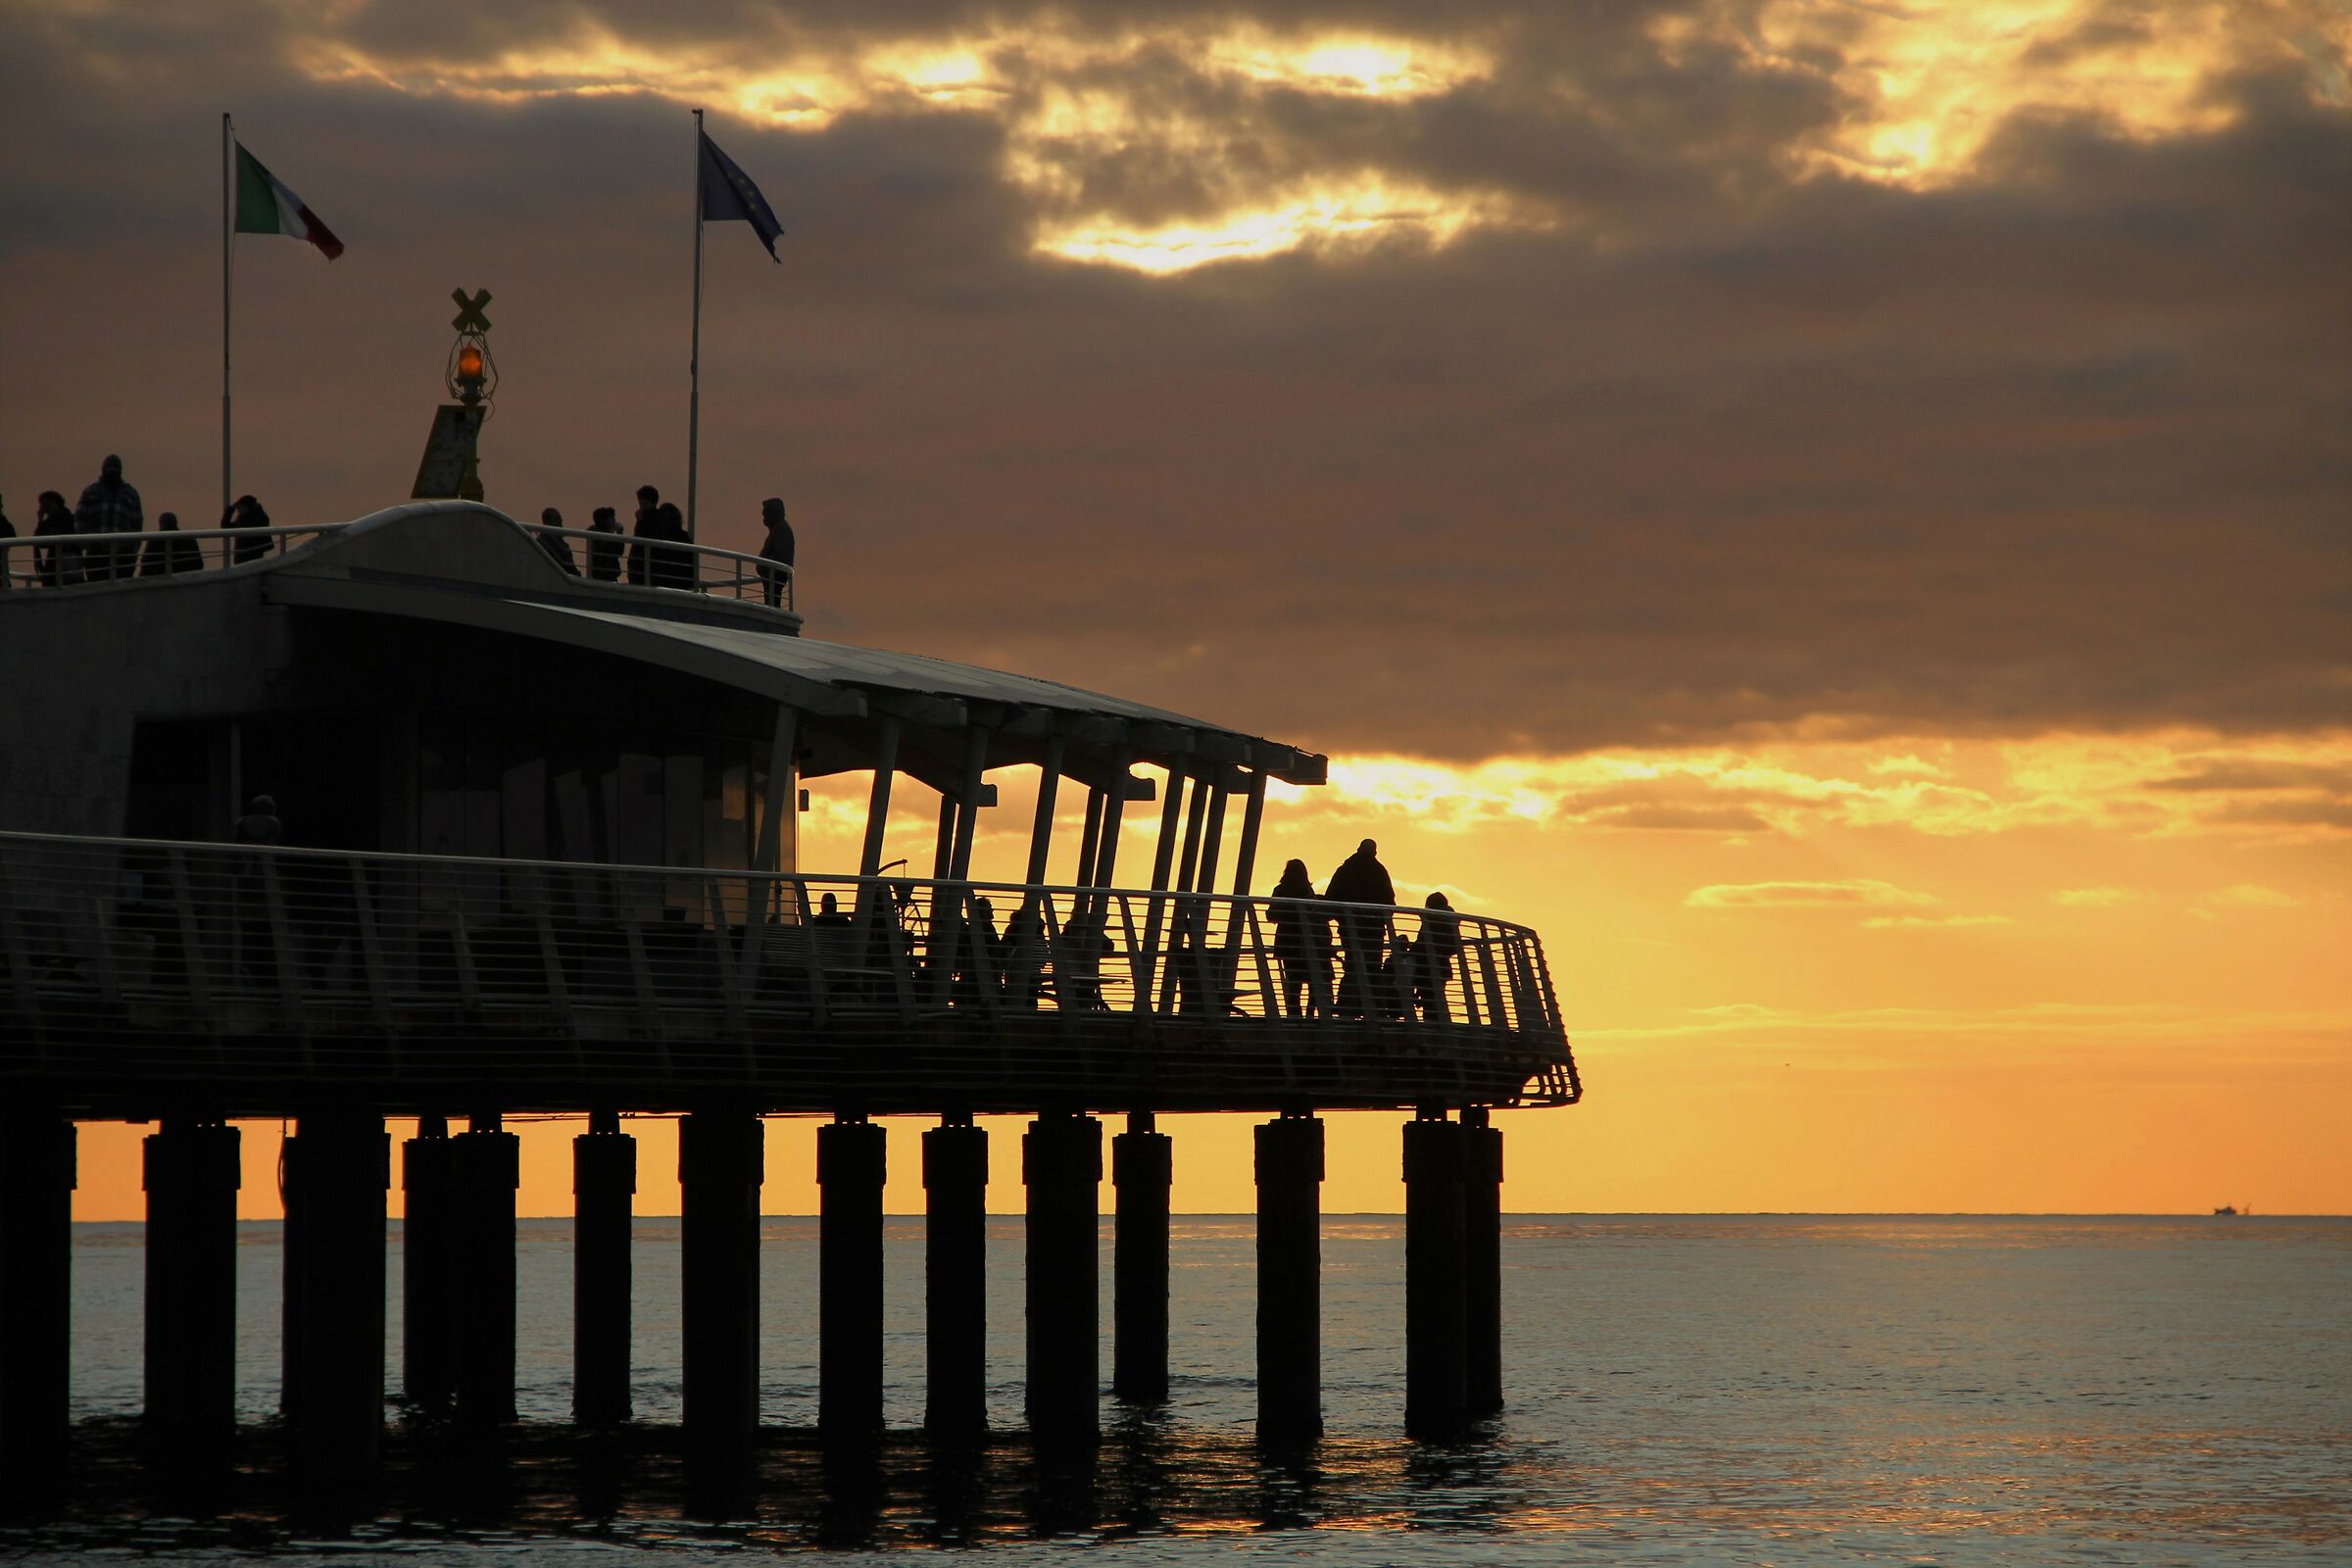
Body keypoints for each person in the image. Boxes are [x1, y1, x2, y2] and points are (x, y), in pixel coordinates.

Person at [1324, 838, 1395, 1016]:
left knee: (1353, 966)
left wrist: (1340, 917)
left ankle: (1348, 1006)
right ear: (1375, 852)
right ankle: (1376, 1008)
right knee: (1373, 967)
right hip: (1374, 930)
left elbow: (1331, 899)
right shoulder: (1380, 872)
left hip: (1350, 927)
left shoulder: (1345, 870)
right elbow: (1389, 903)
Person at [1269, 858, 1332, 1017]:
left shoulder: (1280, 890)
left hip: (1287, 942)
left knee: (1293, 984)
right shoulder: (1308, 892)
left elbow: (1271, 914)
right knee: (1313, 981)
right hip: (1308, 942)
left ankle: (1294, 1016)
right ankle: (1310, 1014)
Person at [74, 454, 143, 581]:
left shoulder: (130, 493)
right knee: (97, 588)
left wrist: (130, 550)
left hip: (123, 554)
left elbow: (137, 525)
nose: (112, 472)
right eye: (110, 468)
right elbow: (79, 522)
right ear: (103, 469)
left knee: (122, 590)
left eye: (115, 468)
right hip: (96, 553)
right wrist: (89, 545)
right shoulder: (91, 492)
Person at [1412, 891, 1462, 1022]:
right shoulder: (1450, 920)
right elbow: (1453, 946)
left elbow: (1422, 942)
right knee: (1437, 999)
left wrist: (1410, 951)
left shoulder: (1432, 919)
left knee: (1430, 1001)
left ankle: (1433, 1024)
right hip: (1442, 966)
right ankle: (1441, 1024)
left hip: (1426, 967)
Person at [139, 511, 203, 577]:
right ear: (175, 522)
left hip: (159, 582)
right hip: (187, 580)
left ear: (160, 524)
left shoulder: (154, 542)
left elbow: (145, 568)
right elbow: (199, 565)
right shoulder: (189, 539)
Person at [757, 497, 794, 608]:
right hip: (770, 578)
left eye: (765, 514)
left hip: (775, 577)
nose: (763, 517)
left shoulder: (781, 530)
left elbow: (781, 556)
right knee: (770, 605)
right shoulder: (777, 530)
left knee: (773, 606)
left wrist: (764, 564)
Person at [32, 491, 74, 587]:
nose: (43, 508)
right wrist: (40, 521)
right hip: (58, 564)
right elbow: (39, 542)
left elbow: (40, 542)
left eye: (45, 504)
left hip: (64, 564)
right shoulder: (51, 521)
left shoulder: (65, 519)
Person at [626, 485, 662, 585]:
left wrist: (640, 522)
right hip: (641, 565)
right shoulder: (658, 518)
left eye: (644, 504)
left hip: (643, 566)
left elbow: (642, 538)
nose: (642, 507)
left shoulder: (651, 519)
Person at [226, 495, 271, 565]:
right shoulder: (243, 519)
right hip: (243, 557)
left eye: (241, 507)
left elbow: (226, 526)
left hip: (250, 557)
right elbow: (225, 526)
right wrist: (230, 510)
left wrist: (231, 508)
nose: (238, 510)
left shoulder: (256, 518)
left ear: (247, 507)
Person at [534, 506, 579, 575]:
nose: (561, 525)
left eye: (560, 521)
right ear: (548, 522)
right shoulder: (544, 544)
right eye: (558, 520)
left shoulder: (546, 542)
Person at [586, 506, 624, 582]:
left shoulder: (606, 534)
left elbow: (619, 552)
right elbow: (603, 549)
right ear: (603, 520)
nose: (614, 520)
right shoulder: (594, 534)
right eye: (611, 518)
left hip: (610, 575)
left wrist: (620, 534)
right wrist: (611, 533)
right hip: (601, 575)